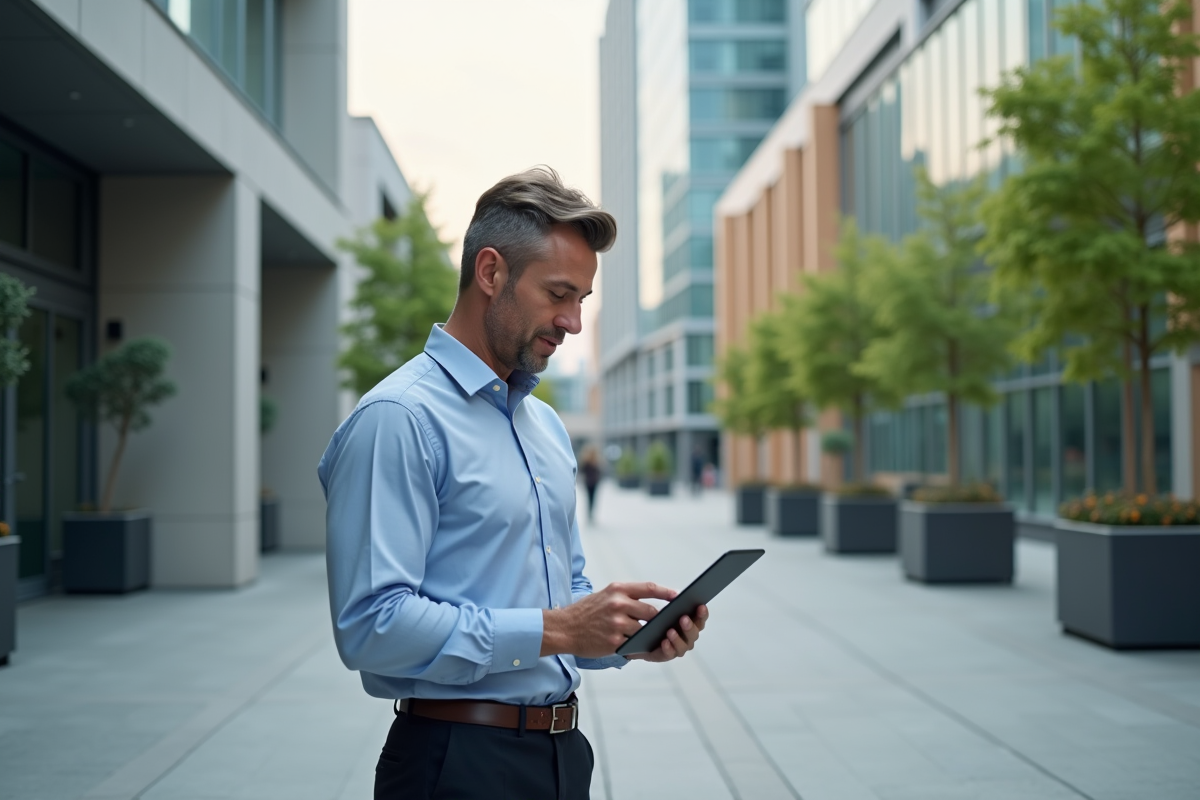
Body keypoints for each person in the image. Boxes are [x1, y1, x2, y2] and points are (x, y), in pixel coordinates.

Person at [318, 167, 709, 800]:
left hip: (560, 758)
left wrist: (624, 636)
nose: (574, 322)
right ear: (491, 272)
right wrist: (558, 630)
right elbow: (371, 625)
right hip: (454, 764)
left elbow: (565, 591)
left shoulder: (545, 427)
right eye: (559, 294)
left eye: (582, 299)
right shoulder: (399, 420)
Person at [580, 446, 602, 523]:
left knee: (592, 498)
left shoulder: (596, 461)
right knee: (590, 498)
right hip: (589, 482)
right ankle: (589, 513)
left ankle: (591, 513)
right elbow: (582, 471)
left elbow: (599, 472)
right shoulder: (587, 462)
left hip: (594, 482)